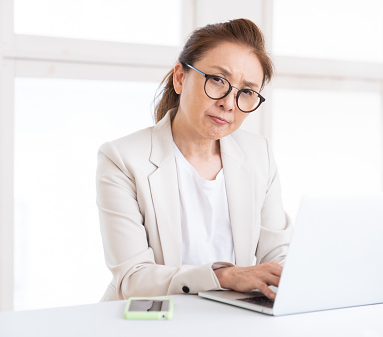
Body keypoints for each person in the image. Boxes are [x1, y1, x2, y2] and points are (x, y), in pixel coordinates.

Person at [96, 18, 292, 302]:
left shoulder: (258, 154)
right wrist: (223, 276)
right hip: (151, 322)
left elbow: (278, 256)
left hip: (234, 319)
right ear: (180, 77)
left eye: (246, 92)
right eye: (217, 80)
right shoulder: (122, 158)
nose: (228, 103)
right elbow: (133, 279)